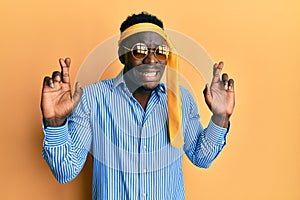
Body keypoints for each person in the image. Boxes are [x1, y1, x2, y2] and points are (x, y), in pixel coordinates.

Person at [41, 12, 235, 200]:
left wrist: (220, 118)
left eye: (160, 52)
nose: (151, 60)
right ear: (122, 55)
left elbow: (201, 157)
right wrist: (55, 122)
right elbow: (65, 171)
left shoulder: (181, 99)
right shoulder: (92, 99)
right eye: (139, 51)